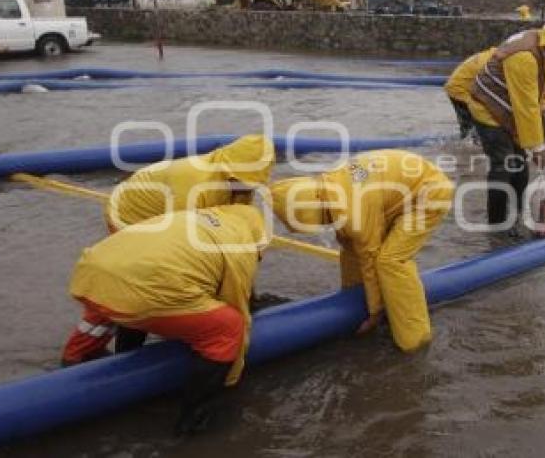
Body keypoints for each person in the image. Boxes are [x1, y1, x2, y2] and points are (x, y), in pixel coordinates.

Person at [61, 204, 268, 435]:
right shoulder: (240, 246)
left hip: (92, 274)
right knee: (228, 327)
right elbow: (236, 305)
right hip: (143, 293)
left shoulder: (191, 217)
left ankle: (75, 360)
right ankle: (193, 420)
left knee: (130, 300)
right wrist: (229, 377)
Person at [269, 150, 454, 353]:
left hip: (430, 192)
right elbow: (351, 249)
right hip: (405, 189)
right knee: (351, 246)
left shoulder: (354, 211)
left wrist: (375, 313)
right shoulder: (330, 188)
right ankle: (358, 299)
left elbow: (369, 255)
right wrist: (351, 292)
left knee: (390, 261)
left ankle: (416, 340)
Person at [466, 12, 545, 227]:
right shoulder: (525, 57)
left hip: (509, 108)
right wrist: (538, 147)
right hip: (488, 108)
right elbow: (526, 107)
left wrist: (538, 132)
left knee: (520, 165)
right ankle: (497, 225)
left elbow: (538, 93)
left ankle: (518, 214)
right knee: (502, 165)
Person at [105, 134, 275, 232]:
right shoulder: (194, 185)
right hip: (129, 212)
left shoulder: (243, 185)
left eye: (250, 184)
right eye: (239, 180)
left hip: (165, 201)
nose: (245, 187)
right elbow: (179, 237)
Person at [443, 47, 495, 139]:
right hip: (459, 90)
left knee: (471, 125)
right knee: (475, 125)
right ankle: (470, 145)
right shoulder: (492, 62)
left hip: (457, 87)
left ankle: (468, 143)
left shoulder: (492, 54)